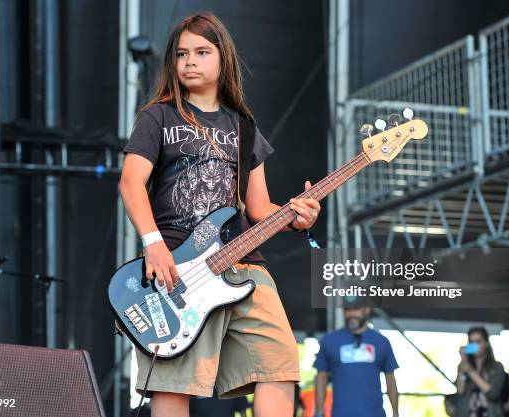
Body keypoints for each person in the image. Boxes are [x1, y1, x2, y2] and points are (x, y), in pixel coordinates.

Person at [120, 12, 321, 417]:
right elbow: (130, 183)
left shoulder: (244, 126)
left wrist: (297, 215)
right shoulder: (158, 116)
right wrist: (154, 245)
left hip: (245, 261)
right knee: (174, 381)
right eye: (181, 54)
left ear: (222, 60)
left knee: (278, 364)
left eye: (201, 52)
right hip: (176, 264)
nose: (189, 61)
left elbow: (260, 208)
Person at [313, 305, 399, 417]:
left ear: (367, 310)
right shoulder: (329, 341)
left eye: (356, 309)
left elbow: (390, 378)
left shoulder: (381, 342)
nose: (351, 314)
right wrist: (319, 412)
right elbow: (321, 377)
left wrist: (395, 412)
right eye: (347, 310)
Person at [453, 326, 506, 417]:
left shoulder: (496, 367)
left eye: (478, 342)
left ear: (486, 343)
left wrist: (471, 372)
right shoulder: (464, 366)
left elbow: (493, 393)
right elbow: (460, 391)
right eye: (471, 342)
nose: (474, 346)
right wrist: (464, 362)